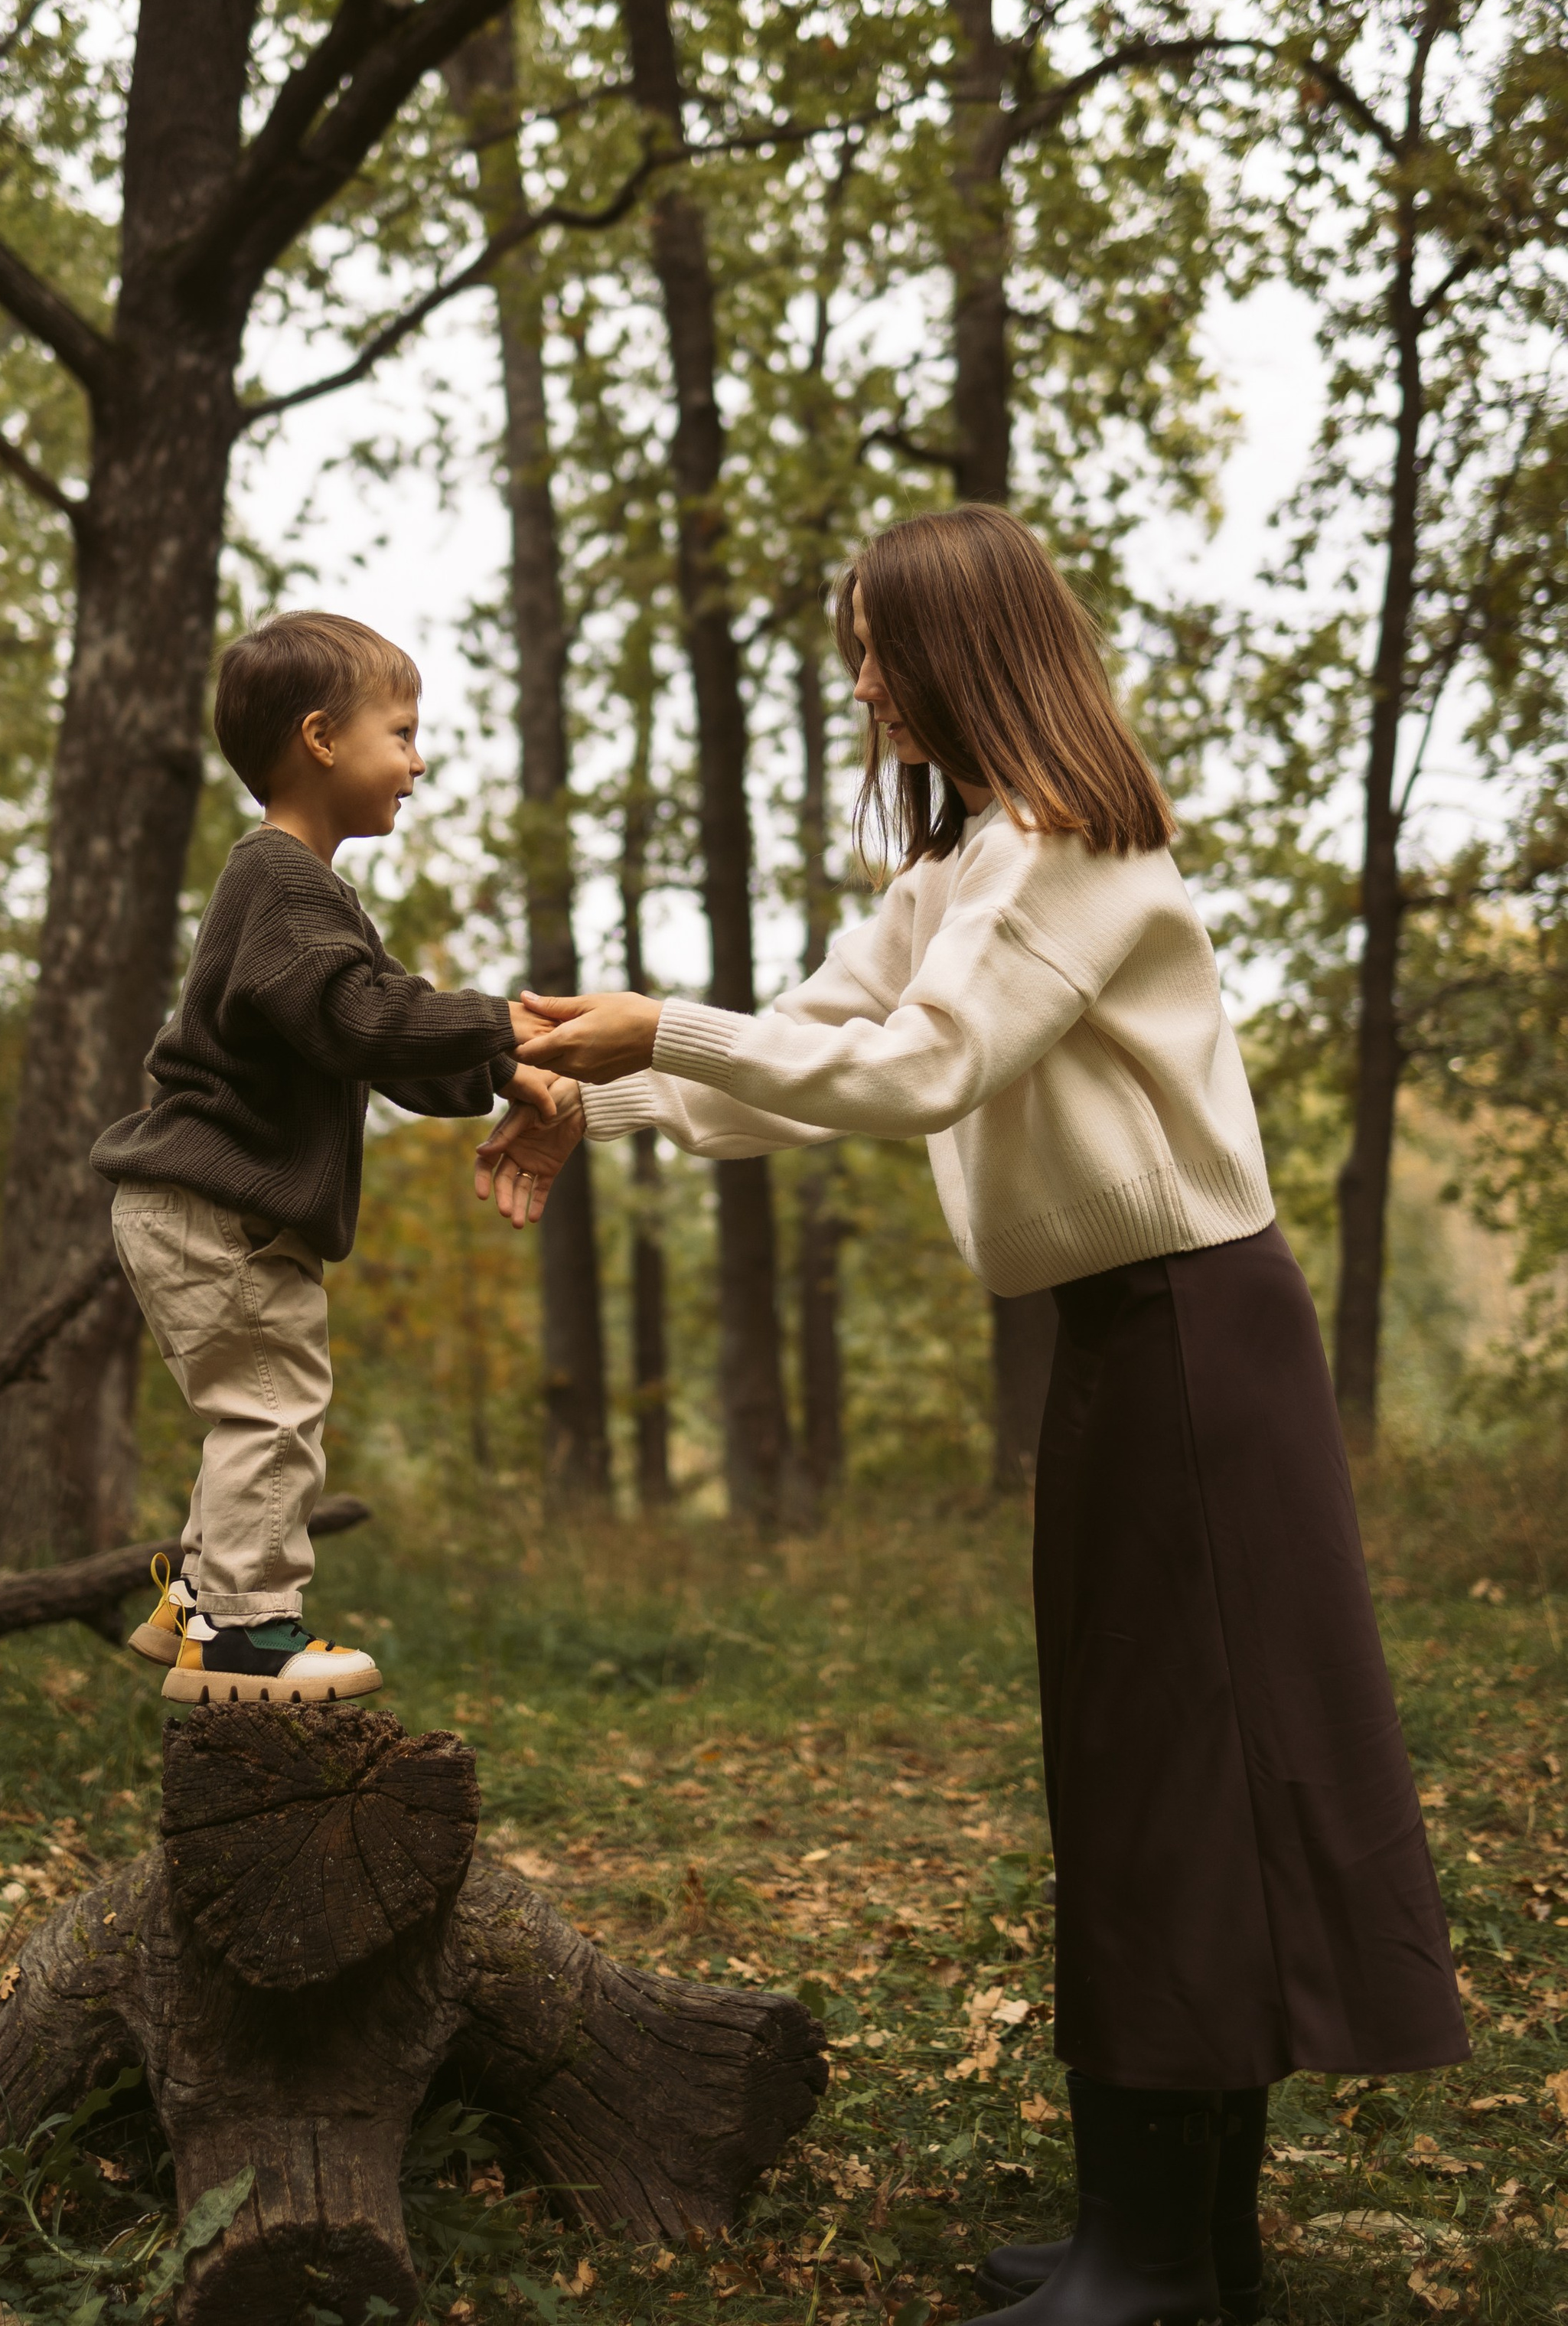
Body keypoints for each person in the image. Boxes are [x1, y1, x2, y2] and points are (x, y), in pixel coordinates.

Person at [475, 507, 1466, 2326]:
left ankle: (1162, 2254)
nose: (863, 684)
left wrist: (655, 1035)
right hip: (1119, 1338)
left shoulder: (1071, 854)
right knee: (1134, 1763)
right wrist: (580, 1096)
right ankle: (1168, 2233)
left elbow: (920, 1073)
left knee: (1179, 1771)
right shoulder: (960, 876)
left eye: (879, 650)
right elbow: (814, 1049)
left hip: (1191, 1337)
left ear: (964, 650)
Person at [93, 610, 555, 1709]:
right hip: (218, 1211)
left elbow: (376, 1042)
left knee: (256, 1401)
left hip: (197, 1207)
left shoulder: (301, 894)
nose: (418, 758)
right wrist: (512, 1029)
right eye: (401, 732)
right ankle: (248, 1637)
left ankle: (200, 1602)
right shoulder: (285, 885)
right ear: (320, 739)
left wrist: (500, 1072)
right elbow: (368, 1019)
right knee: (272, 1407)